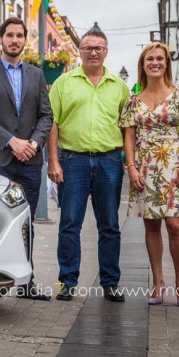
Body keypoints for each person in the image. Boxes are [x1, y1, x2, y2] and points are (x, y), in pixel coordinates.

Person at [0, 16, 53, 301]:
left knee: (26, 223)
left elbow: (46, 115)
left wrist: (33, 142)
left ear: (24, 40)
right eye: (10, 35)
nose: (15, 40)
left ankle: (27, 281)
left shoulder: (37, 75)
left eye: (20, 35)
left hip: (30, 161)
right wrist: (11, 141)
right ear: (1, 38)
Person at [48, 24, 129, 302]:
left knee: (109, 224)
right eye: (87, 48)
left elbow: (127, 127)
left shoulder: (120, 87)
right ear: (79, 52)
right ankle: (68, 281)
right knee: (70, 223)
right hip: (73, 161)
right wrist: (53, 162)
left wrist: (129, 163)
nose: (93, 52)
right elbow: (53, 124)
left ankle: (110, 283)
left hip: (109, 161)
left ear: (106, 52)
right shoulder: (63, 83)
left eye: (98, 48)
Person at [119, 43, 179, 307]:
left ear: (166, 63)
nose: (155, 62)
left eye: (159, 59)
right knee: (151, 224)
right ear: (142, 65)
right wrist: (131, 168)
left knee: (175, 224)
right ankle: (157, 281)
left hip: (173, 165)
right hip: (144, 166)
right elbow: (128, 137)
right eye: (149, 58)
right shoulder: (133, 101)